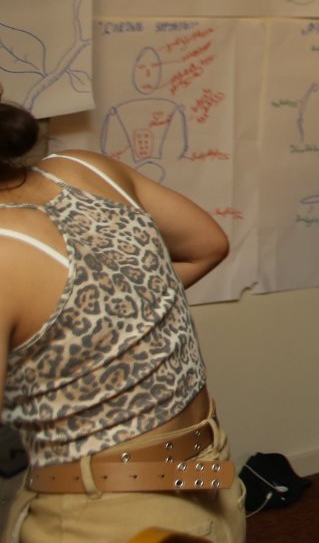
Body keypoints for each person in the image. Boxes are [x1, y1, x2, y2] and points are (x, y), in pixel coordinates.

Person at [0, 100, 243, 543]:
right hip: (205, 469)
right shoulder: (83, 168)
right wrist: (105, 323)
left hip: (109, 514)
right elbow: (207, 244)